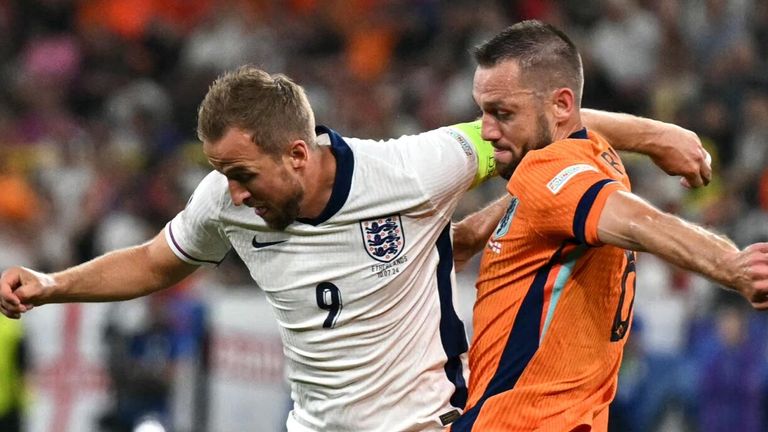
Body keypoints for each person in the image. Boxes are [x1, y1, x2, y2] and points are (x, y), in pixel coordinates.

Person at [0, 65, 710, 431]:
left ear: (299, 155)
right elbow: (158, 259)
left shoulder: (409, 170)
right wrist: (54, 283)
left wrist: (658, 138)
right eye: (223, 177)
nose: (233, 195)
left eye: (244, 175)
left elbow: (535, 128)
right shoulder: (224, 200)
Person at [449, 20, 768, 432]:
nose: (486, 130)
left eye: (502, 113)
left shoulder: (546, 173)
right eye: (483, 111)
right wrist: (656, 135)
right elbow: (577, 140)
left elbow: (638, 221)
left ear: (562, 106)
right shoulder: (591, 155)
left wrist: (731, 266)